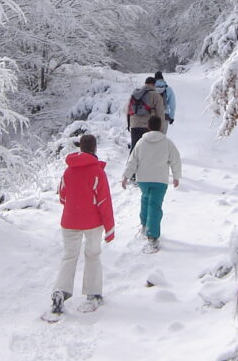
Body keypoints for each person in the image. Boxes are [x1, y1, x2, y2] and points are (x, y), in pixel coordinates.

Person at [50, 134, 116, 315]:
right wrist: (110, 229)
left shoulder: (68, 171)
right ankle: (93, 294)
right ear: (95, 149)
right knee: (92, 255)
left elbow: (62, 196)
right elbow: (104, 201)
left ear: (80, 148)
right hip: (92, 222)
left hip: (70, 220)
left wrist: (74, 206)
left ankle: (60, 291)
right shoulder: (97, 171)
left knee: (69, 255)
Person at [121, 115, 182, 252]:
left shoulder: (141, 143)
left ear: (148, 126)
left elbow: (133, 160)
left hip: (143, 179)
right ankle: (152, 236)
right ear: (160, 127)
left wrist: (126, 176)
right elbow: (175, 160)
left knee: (145, 199)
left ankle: (144, 224)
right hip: (160, 180)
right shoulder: (167, 142)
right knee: (155, 206)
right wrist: (176, 177)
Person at [126, 76, 165, 150]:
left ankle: (131, 161)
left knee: (135, 148)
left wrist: (129, 124)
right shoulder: (156, 95)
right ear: (154, 84)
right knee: (146, 150)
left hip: (134, 125)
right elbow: (160, 113)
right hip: (148, 126)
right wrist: (160, 129)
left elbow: (128, 109)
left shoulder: (136, 94)